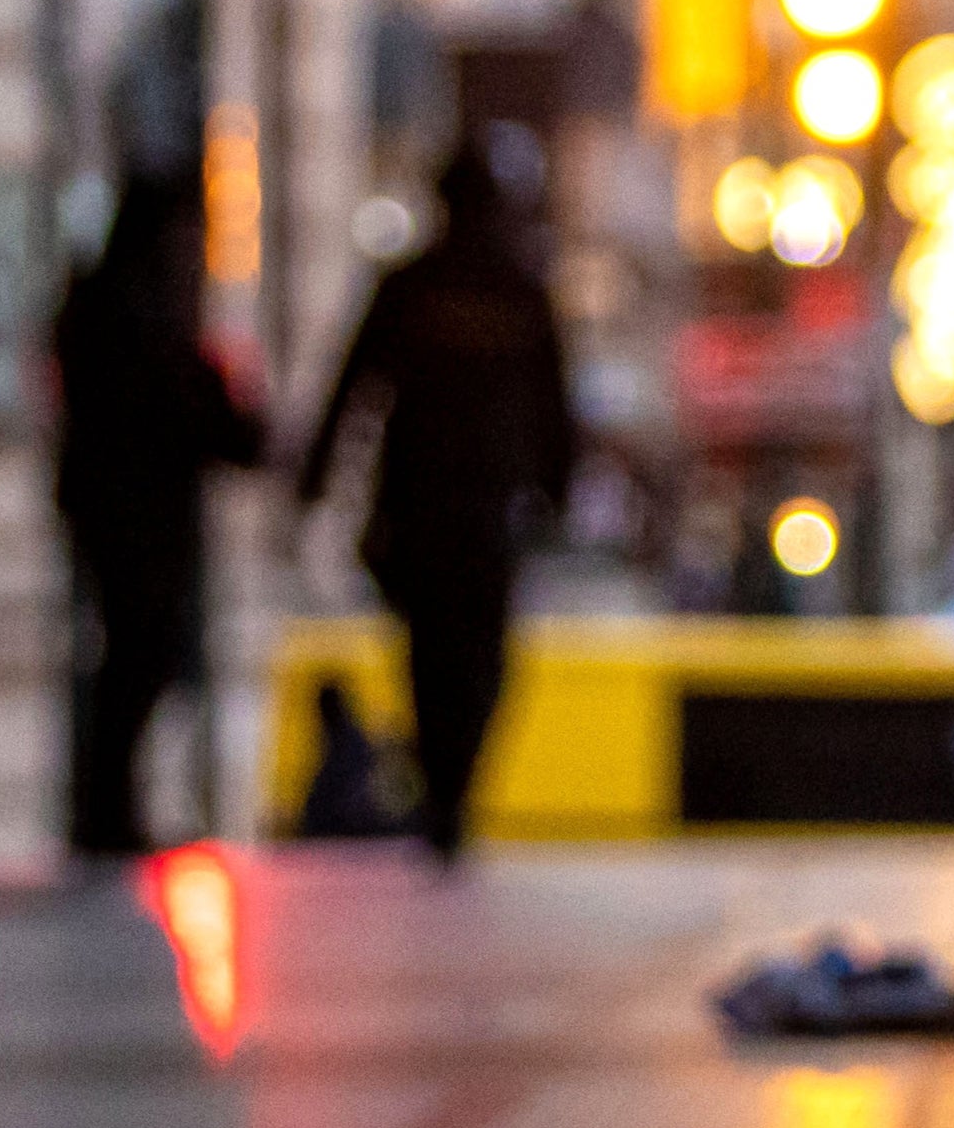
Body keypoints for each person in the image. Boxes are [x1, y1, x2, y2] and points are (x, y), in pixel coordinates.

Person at [295, 122, 580, 864]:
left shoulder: (420, 286)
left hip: (429, 510)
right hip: (468, 512)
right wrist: (555, 492)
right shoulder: (514, 290)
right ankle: (450, 791)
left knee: (435, 658)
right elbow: (555, 410)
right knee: (474, 659)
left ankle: (446, 789)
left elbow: (351, 388)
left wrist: (318, 478)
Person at [50, 166, 267, 865]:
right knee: (138, 654)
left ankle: (108, 803)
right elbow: (198, 414)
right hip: (140, 515)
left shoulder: (101, 304)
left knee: (131, 654)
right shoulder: (140, 312)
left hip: (113, 511)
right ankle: (106, 805)